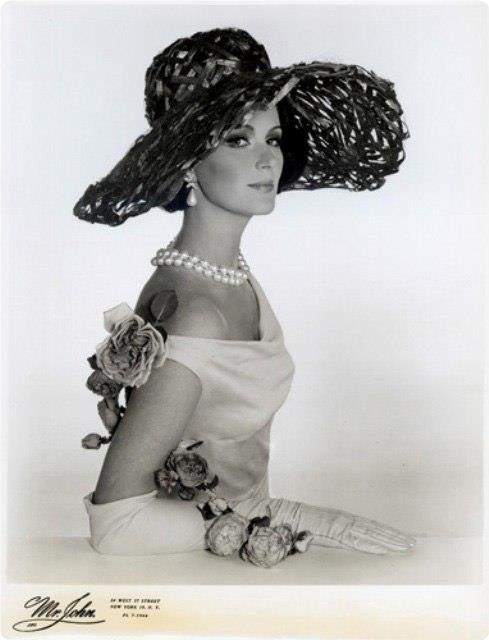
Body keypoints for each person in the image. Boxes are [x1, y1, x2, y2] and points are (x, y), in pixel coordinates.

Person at [74, 28, 417, 557]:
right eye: (238, 139)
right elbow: (118, 527)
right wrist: (278, 519)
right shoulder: (197, 313)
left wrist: (276, 514)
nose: (267, 160)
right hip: (205, 568)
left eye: (272, 139)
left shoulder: (231, 275)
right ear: (188, 162)